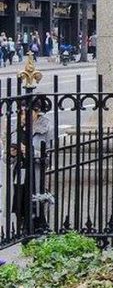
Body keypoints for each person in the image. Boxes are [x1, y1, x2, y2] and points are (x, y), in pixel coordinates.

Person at [10, 95, 52, 234]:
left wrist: (30, 152)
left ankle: (37, 232)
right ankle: (24, 233)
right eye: (21, 112)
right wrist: (12, 153)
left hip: (35, 174)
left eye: (27, 112)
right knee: (19, 206)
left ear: (36, 111)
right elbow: (6, 158)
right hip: (19, 173)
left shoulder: (45, 129)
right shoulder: (17, 130)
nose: (24, 116)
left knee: (34, 207)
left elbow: (49, 157)